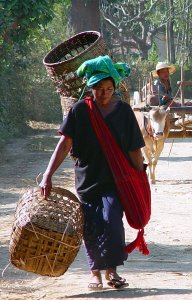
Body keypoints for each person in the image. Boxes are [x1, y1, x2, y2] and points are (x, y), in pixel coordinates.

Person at [39, 55, 146, 290]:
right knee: (92, 225)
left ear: (114, 88)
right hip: (87, 179)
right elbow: (65, 144)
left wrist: (140, 177)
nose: (104, 94)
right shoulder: (80, 111)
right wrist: (48, 174)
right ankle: (95, 273)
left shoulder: (124, 112)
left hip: (116, 179)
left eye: (109, 89)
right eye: (99, 89)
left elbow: (134, 148)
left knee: (112, 221)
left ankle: (112, 270)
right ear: (91, 88)